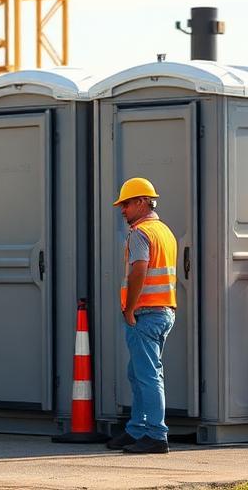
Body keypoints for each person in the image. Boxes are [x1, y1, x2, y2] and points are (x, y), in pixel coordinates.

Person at [106, 177, 177, 454]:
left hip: (146, 313)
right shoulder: (164, 231)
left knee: (147, 375)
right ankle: (137, 429)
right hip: (163, 311)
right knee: (138, 373)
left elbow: (139, 270)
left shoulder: (140, 233)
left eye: (126, 204)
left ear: (141, 202)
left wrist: (129, 309)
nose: (122, 210)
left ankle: (157, 435)